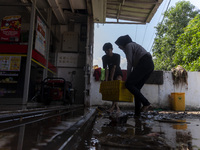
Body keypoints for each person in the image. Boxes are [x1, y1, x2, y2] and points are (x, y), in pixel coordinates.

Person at [115, 35, 154, 118]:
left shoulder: (128, 46)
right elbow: (135, 65)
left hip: (144, 63)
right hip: (149, 65)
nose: (119, 47)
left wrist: (128, 78)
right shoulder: (134, 45)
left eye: (119, 45)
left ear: (123, 43)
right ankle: (137, 113)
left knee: (128, 84)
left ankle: (146, 103)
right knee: (137, 88)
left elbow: (130, 64)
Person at [102, 42, 123, 113]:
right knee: (113, 92)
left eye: (108, 50)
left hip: (117, 73)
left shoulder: (117, 56)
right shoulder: (104, 57)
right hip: (110, 73)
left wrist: (111, 79)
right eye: (105, 51)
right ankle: (117, 108)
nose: (106, 52)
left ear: (112, 49)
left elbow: (114, 67)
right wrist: (106, 79)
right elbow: (106, 69)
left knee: (116, 88)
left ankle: (112, 107)